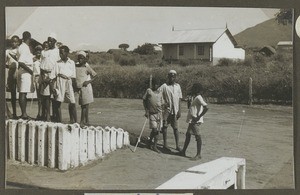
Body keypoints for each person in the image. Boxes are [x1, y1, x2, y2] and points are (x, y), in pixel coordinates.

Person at [178, 83, 208, 161]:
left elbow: (206, 107)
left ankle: (198, 154)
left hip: (195, 120)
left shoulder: (199, 97)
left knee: (198, 136)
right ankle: (183, 151)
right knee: (188, 134)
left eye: (194, 88)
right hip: (192, 120)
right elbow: (190, 107)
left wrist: (199, 116)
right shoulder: (194, 97)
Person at [49, 45, 76, 123]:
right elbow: (52, 77)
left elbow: (73, 76)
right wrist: (53, 88)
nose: (60, 55)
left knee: (72, 102)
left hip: (69, 82)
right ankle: (59, 121)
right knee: (58, 102)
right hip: (60, 82)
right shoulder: (57, 63)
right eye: (59, 53)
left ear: (67, 53)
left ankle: (74, 121)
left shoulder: (71, 63)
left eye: (62, 53)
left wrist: (73, 87)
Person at [158, 70, 182, 151]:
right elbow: (157, 94)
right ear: (168, 76)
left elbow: (179, 99)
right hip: (167, 111)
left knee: (175, 128)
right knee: (164, 127)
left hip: (175, 110)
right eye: (170, 76)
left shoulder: (178, 86)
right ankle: (165, 144)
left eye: (174, 76)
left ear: (175, 77)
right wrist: (163, 103)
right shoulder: (164, 86)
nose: (172, 78)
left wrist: (179, 110)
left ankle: (177, 145)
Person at [39, 33, 60, 121]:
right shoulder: (44, 52)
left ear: (55, 42)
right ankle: (47, 115)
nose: (50, 43)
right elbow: (41, 64)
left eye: (51, 41)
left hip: (54, 75)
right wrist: (43, 76)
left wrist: (52, 77)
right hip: (45, 75)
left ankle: (56, 115)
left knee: (55, 96)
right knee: (46, 96)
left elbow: (58, 64)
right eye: (48, 41)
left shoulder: (58, 51)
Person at [74, 51, 97, 126]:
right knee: (74, 104)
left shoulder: (87, 67)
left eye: (82, 58)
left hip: (85, 88)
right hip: (77, 88)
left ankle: (82, 121)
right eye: (79, 58)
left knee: (84, 105)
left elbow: (95, 76)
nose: (80, 60)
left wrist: (88, 81)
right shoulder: (75, 67)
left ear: (85, 59)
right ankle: (75, 120)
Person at [16, 31, 35, 120]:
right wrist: (31, 71)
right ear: (29, 38)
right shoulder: (25, 47)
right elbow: (21, 62)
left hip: (22, 71)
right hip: (25, 71)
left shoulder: (21, 47)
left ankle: (24, 113)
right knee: (23, 93)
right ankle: (24, 114)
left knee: (23, 93)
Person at [142, 78, 163, 153]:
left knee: (157, 131)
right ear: (152, 84)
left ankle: (153, 145)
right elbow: (144, 100)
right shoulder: (149, 91)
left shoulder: (160, 92)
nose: (156, 86)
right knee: (154, 129)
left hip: (159, 114)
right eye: (154, 84)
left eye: (157, 84)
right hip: (152, 113)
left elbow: (161, 102)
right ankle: (150, 142)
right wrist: (146, 111)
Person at [5, 35, 20, 119]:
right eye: (12, 42)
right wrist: (10, 67)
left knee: (21, 93)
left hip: (19, 72)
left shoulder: (20, 50)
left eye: (15, 41)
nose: (14, 43)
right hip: (11, 73)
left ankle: (22, 113)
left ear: (18, 42)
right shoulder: (7, 51)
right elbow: (5, 63)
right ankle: (14, 113)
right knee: (13, 93)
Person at [33, 45, 43, 120]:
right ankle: (39, 113)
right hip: (37, 78)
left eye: (40, 51)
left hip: (43, 78)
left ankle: (44, 113)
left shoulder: (43, 59)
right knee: (39, 97)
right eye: (37, 51)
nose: (38, 52)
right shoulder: (33, 60)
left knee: (45, 97)